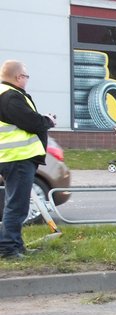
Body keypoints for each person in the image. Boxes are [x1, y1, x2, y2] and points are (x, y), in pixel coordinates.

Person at [0, 60, 55, 259]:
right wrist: (48, 121)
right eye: (26, 76)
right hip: (18, 158)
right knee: (17, 205)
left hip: (13, 158)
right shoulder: (10, 97)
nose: (27, 80)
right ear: (18, 77)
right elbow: (31, 121)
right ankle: (8, 249)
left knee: (15, 203)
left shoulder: (6, 95)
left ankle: (15, 245)